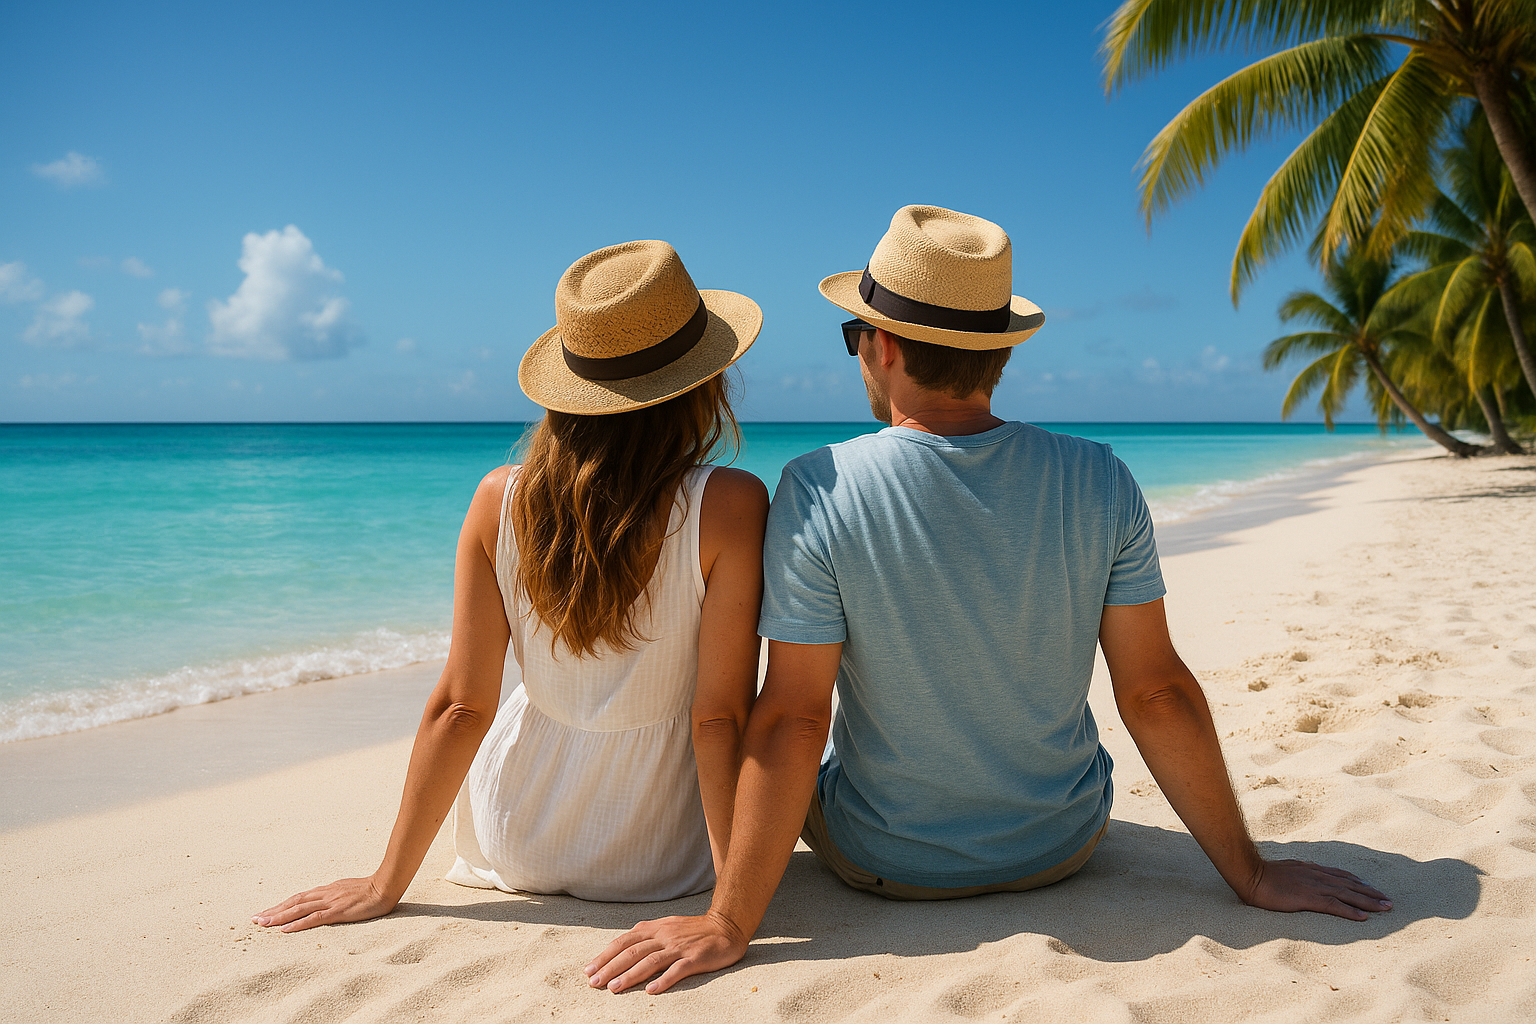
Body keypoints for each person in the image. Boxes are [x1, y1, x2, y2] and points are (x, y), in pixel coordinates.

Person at [584, 206, 1393, 994]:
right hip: (1063, 846)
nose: (857, 355)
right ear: (997, 354)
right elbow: (1155, 690)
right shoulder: (1100, 476)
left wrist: (729, 920)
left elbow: (797, 717)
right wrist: (1248, 873)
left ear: (885, 346)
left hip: (885, 862)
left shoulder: (820, 486)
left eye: (854, 338)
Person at [254, 240, 768, 929]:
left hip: (514, 835)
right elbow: (718, 719)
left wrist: (386, 883)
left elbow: (462, 706)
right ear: (704, 382)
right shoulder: (729, 504)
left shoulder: (500, 499)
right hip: (658, 858)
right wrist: (729, 909)